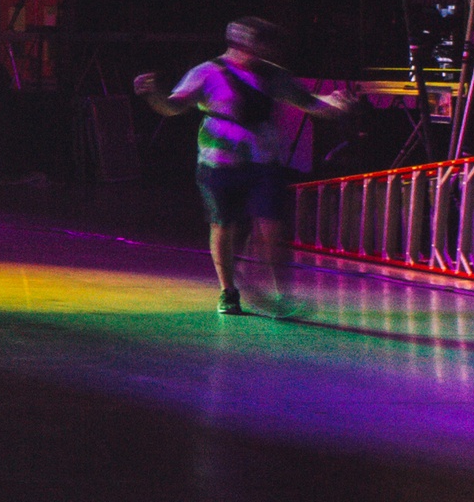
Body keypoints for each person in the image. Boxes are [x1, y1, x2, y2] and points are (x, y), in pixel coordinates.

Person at [134, 18, 354, 315]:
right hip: (219, 163)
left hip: (263, 162)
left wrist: (336, 104)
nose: (261, 52)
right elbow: (173, 106)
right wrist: (153, 95)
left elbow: (311, 103)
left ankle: (280, 295)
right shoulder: (207, 73)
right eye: (256, 45)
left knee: (272, 225)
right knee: (223, 224)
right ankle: (228, 292)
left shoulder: (274, 76)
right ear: (239, 44)